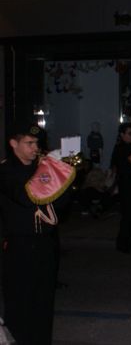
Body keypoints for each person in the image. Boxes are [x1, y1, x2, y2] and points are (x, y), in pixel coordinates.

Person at [0, 124, 65, 345]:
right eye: (29, 143)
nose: (35, 148)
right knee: (20, 303)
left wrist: (61, 173)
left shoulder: (40, 167)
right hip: (20, 245)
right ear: (13, 143)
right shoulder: (6, 171)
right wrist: (48, 171)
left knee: (44, 303)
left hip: (45, 243)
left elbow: (61, 205)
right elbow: (24, 197)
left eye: (37, 143)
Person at [111, 122, 131, 254]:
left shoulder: (128, 147)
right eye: (129, 133)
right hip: (126, 185)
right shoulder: (121, 148)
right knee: (128, 215)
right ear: (122, 134)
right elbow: (129, 162)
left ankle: (128, 241)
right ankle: (124, 243)